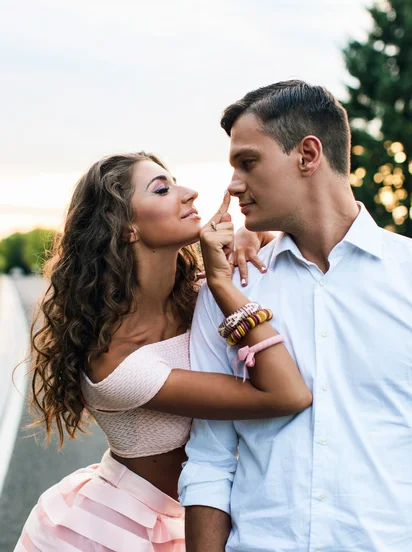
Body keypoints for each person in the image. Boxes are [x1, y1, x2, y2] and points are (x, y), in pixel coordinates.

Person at [14, 151, 312, 551]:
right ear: (126, 228)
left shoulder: (194, 298)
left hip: (209, 512)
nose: (189, 194)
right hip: (120, 528)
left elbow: (275, 262)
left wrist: (250, 234)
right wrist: (224, 288)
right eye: (163, 188)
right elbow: (286, 394)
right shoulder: (117, 364)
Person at [179, 80, 412, 552]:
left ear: (308, 155)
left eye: (248, 162)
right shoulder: (229, 290)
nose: (233, 185)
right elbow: (209, 457)